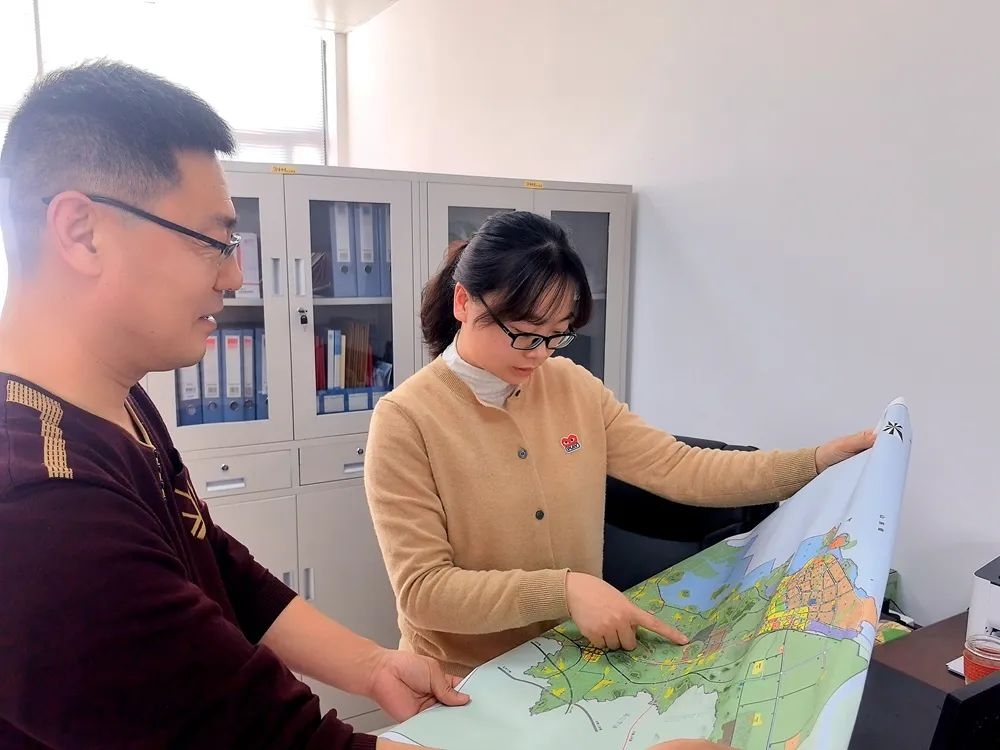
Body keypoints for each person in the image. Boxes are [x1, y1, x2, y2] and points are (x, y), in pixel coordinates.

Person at [0, 61, 470, 750]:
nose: (235, 275)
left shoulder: (112, 400)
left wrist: (372, 667)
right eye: (212, 242)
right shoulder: (40, 505)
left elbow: (214, 561)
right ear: (81, 231)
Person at [364, 211, 874, 676]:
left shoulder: (571, 385)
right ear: (463, 302)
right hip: (462, 679)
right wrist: (564, 589)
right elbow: (424, 592)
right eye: (524, 333)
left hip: (570, 664)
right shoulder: (407, 420)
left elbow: (681, 467)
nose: (539, 354)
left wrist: (815, 462)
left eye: (557, 335)